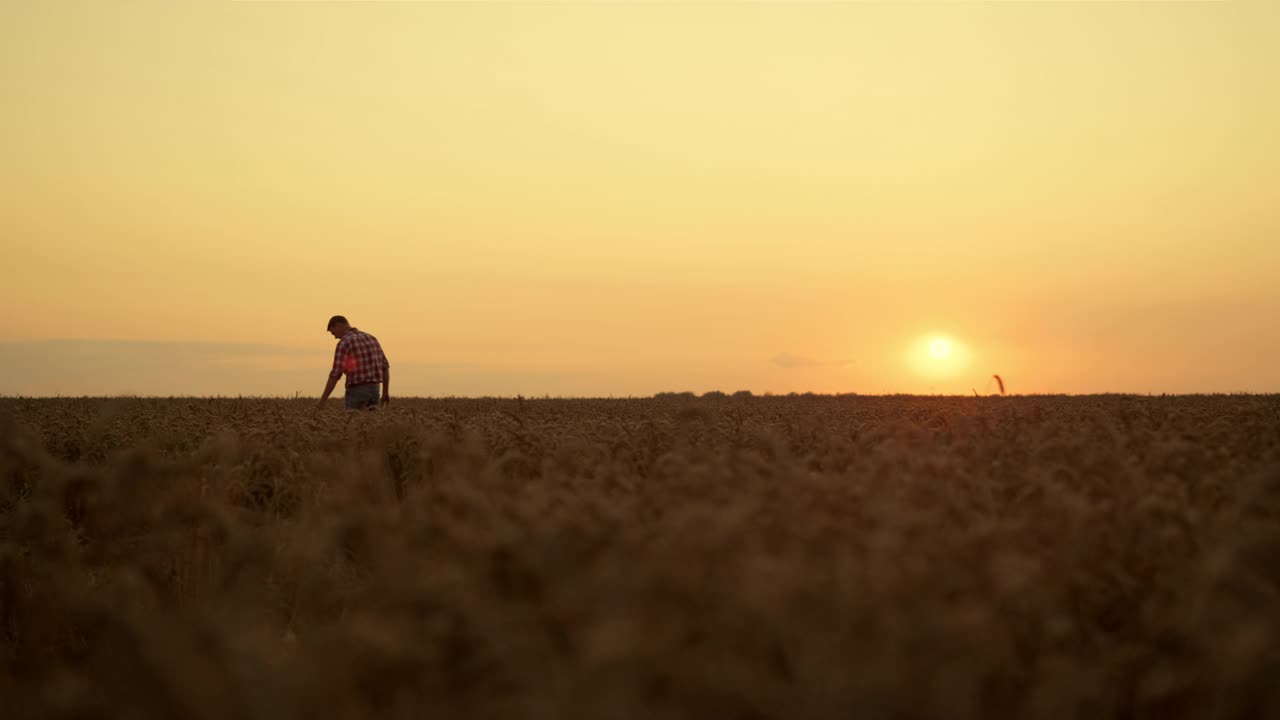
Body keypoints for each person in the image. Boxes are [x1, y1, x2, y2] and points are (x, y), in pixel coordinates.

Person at [317, 315, 390, 410]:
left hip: (356, 391)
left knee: (353, 422)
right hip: (375, 391)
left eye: (334, 333)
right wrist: (385, 392)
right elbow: (385, 367)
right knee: (370, 423)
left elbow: (335, 374)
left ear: (338, 325)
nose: (335, 337)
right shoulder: (372, 339)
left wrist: (323, 400)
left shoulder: (344, 343)